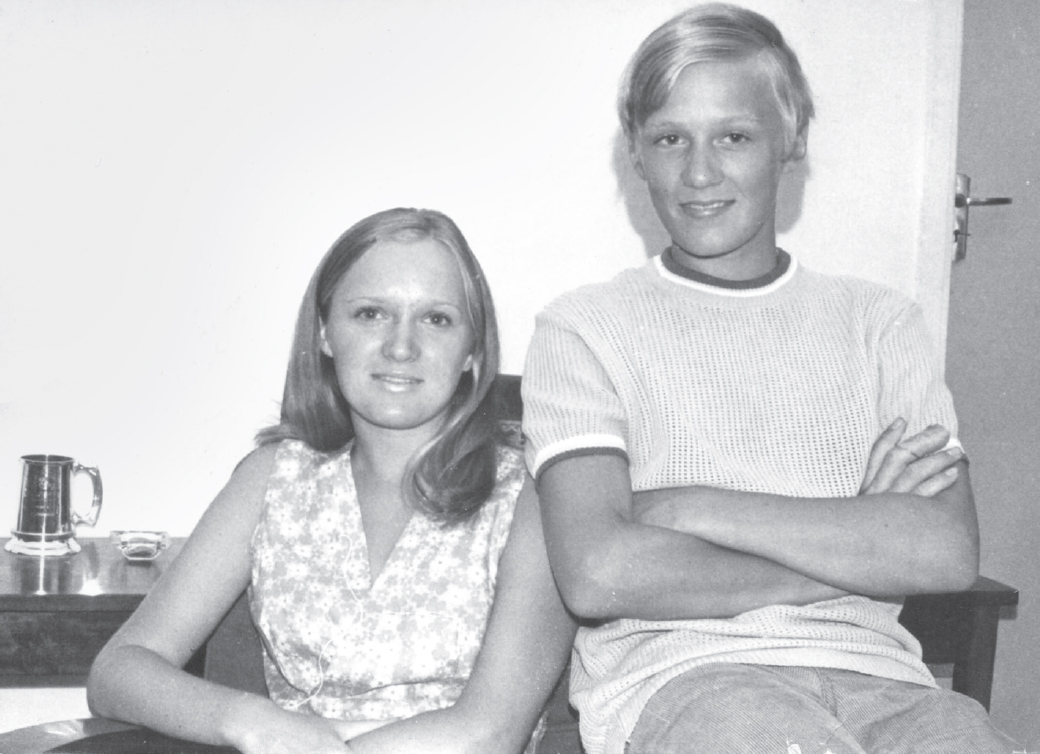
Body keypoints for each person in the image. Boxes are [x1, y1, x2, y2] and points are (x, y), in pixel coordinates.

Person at [520, 5, 1018, 754]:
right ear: (636, 153)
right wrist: (858, 538)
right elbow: (599, 573)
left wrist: (686, 506)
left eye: (734, 136)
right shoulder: (584, 328)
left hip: (887, 681)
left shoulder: (880, 323)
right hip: (685, 679)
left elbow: (942, 550)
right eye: (670, 138)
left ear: (793, 140)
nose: (699, 173)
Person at [88, 207, 575, 754]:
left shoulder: (534, 494)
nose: (401, 347)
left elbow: (490, 731)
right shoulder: (272, 477)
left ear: (472, 351)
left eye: (436, 319)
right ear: (324, 333)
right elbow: (118, 670)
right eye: (370, 314)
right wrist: (252, 721)